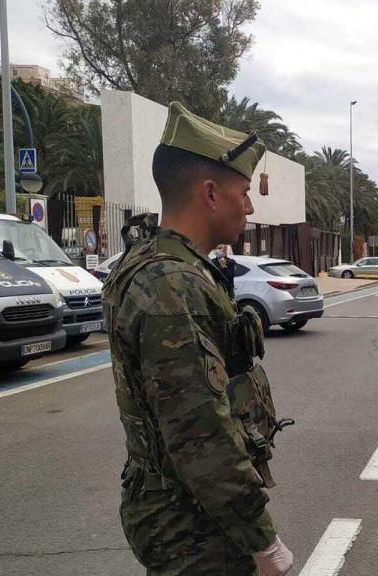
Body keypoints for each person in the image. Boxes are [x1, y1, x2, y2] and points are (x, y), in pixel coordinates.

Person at [103, 102, 293, 576]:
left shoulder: (162, 263)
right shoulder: (170, 284)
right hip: (194, 529)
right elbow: (199, 433)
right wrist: (261, 540)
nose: (249, 207)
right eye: (244, 193)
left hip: (185, 513)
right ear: (210, 194)